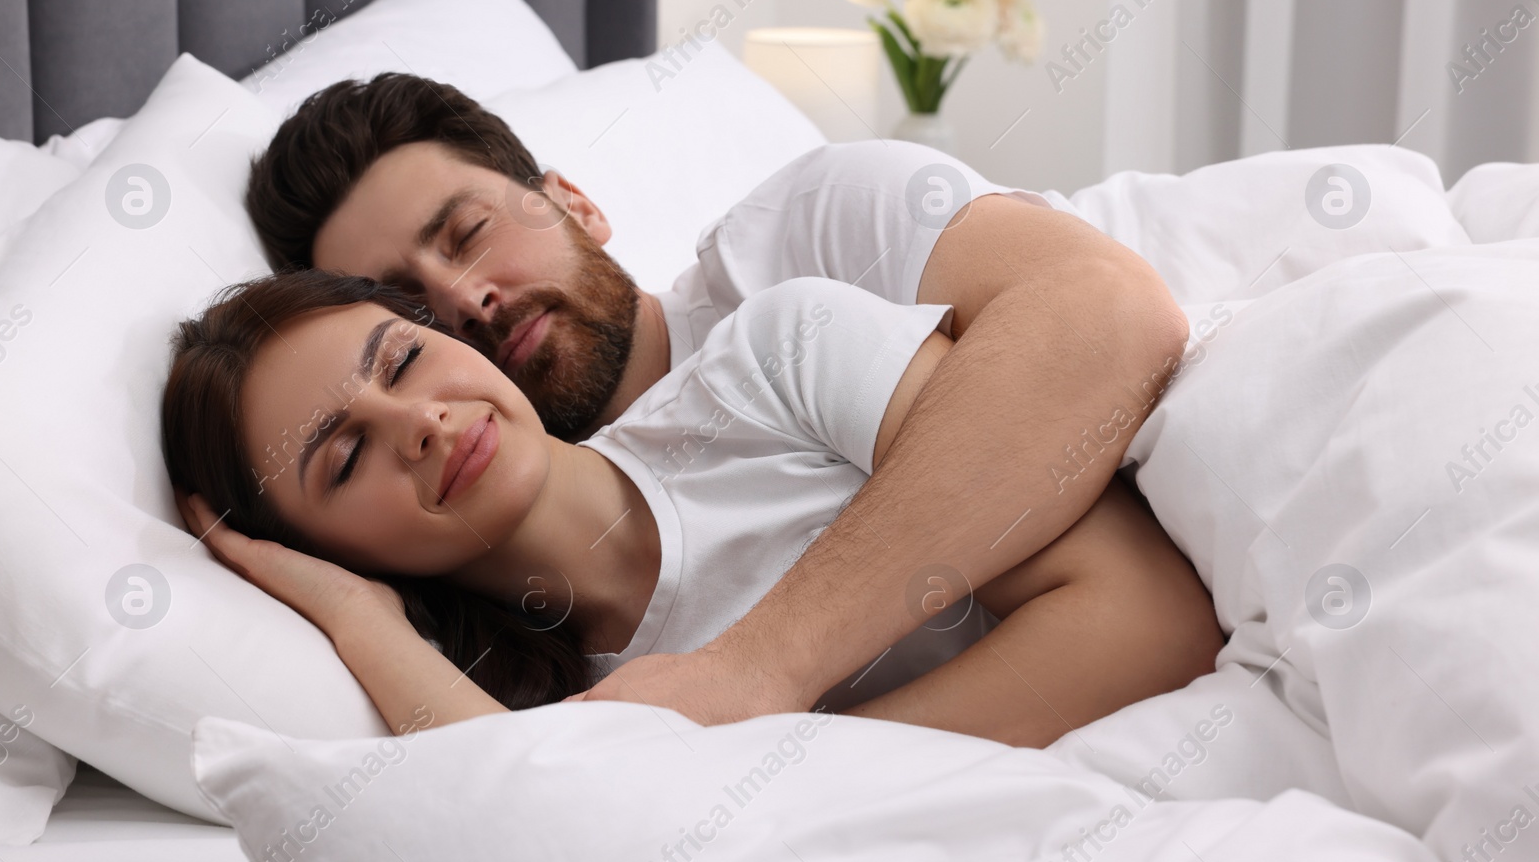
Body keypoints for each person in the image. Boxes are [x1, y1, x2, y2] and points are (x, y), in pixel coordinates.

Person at [241, 73, 1194, 735]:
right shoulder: (539, 597)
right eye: (408, 307)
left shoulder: (800, 247)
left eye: (469, 233)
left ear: (573, 202)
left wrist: (759, 672)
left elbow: (1108, 316)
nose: (464, 301)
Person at [162, 268, 1221, 745]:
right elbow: (540, 842)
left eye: (402, 358)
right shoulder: (547, 705)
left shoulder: (773, 365)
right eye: (344, 457)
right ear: (338, 551)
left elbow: (1150, 619)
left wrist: (753, 723)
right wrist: (359, 623)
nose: (421, 422)